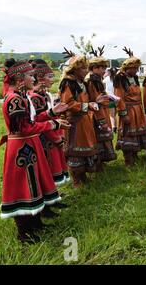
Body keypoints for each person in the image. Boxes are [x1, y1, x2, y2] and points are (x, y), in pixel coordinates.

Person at [0, 60, 69, 243]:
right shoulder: (14, 99)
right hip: (22, 148)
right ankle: (24, 232)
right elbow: (24, 128)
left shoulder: (21, 96)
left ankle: (35, 222)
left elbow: (34, 118)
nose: (34, 78)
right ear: (20, 79)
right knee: (23, 186)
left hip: (29, 145)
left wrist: (52, 113)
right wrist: (52, 124)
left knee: (34, 182)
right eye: (30, 75)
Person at [59, 48, 100, 187]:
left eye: (86, 68)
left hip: (85, 120)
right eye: (83, 68)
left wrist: (91, 105)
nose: (86, 71)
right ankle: (76, 179)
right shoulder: (68, 83)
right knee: (75, 150)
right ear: (75, 69)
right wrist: (86, 106)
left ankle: (83, 176)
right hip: (74, 122)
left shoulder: (83, 82)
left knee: (85, 147)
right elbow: (68, 103)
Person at [29, 60, 70, 187]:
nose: (53, 79)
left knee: (53, 166)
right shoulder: (35, 97)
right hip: (45, 137)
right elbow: (38, 120)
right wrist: (55, 137)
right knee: (47, 167)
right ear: (40, 78)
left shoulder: (45, 94)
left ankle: (52, 194)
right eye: (50, 76)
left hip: (52, 133)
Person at [114, 47, 146, 166]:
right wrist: (123, 114)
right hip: (128, 110)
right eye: (133, 68)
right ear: (126, 68)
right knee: (127, 133)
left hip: (137, 109)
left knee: (137, 134)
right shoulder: (120, 78)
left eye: (137, 68)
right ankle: (128, 159)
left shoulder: (133, 78)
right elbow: (119, 97)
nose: (135, 70)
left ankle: (135, 155)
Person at [86, 47, 117, 167]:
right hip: (96, 113)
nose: (104, 70)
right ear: (94, 68)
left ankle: (101, 163)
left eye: (105, 67)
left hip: (102, 110)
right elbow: (95, 99)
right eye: (102, 68)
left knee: (103, 139)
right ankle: (98, 164)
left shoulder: (98, 80)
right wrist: (101, 120)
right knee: (98, 138)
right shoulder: (92, 81)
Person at [103, 67, 118, 133]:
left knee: (111, 115)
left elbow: (103, 87)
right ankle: (116, 126)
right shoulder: (116, 79)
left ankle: (113, 127)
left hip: (109, 98)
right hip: (117, 98)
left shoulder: (106, 79)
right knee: (115, 114)